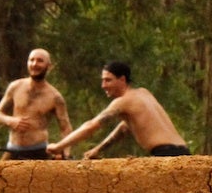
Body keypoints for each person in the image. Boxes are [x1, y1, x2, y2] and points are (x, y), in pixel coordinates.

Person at [49, 60, 190, 159]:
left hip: (165, 153)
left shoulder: (123, 101)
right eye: (102, 80)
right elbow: (124, 127)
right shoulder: (143, 93)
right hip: (183, 151)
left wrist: (59, 146)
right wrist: (98, 149)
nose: (103, 85)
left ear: (122, 80)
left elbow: (91, 126)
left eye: (108, 80)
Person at [0, 48, 73, 161]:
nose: (35, 64)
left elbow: (65, 128)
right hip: (12, 150)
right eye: (31, 60)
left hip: (39, 152)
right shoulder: (15, 87)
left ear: (49, 66)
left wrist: (65, 153)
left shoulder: (55, 97)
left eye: (40, 61)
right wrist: (10, 121)